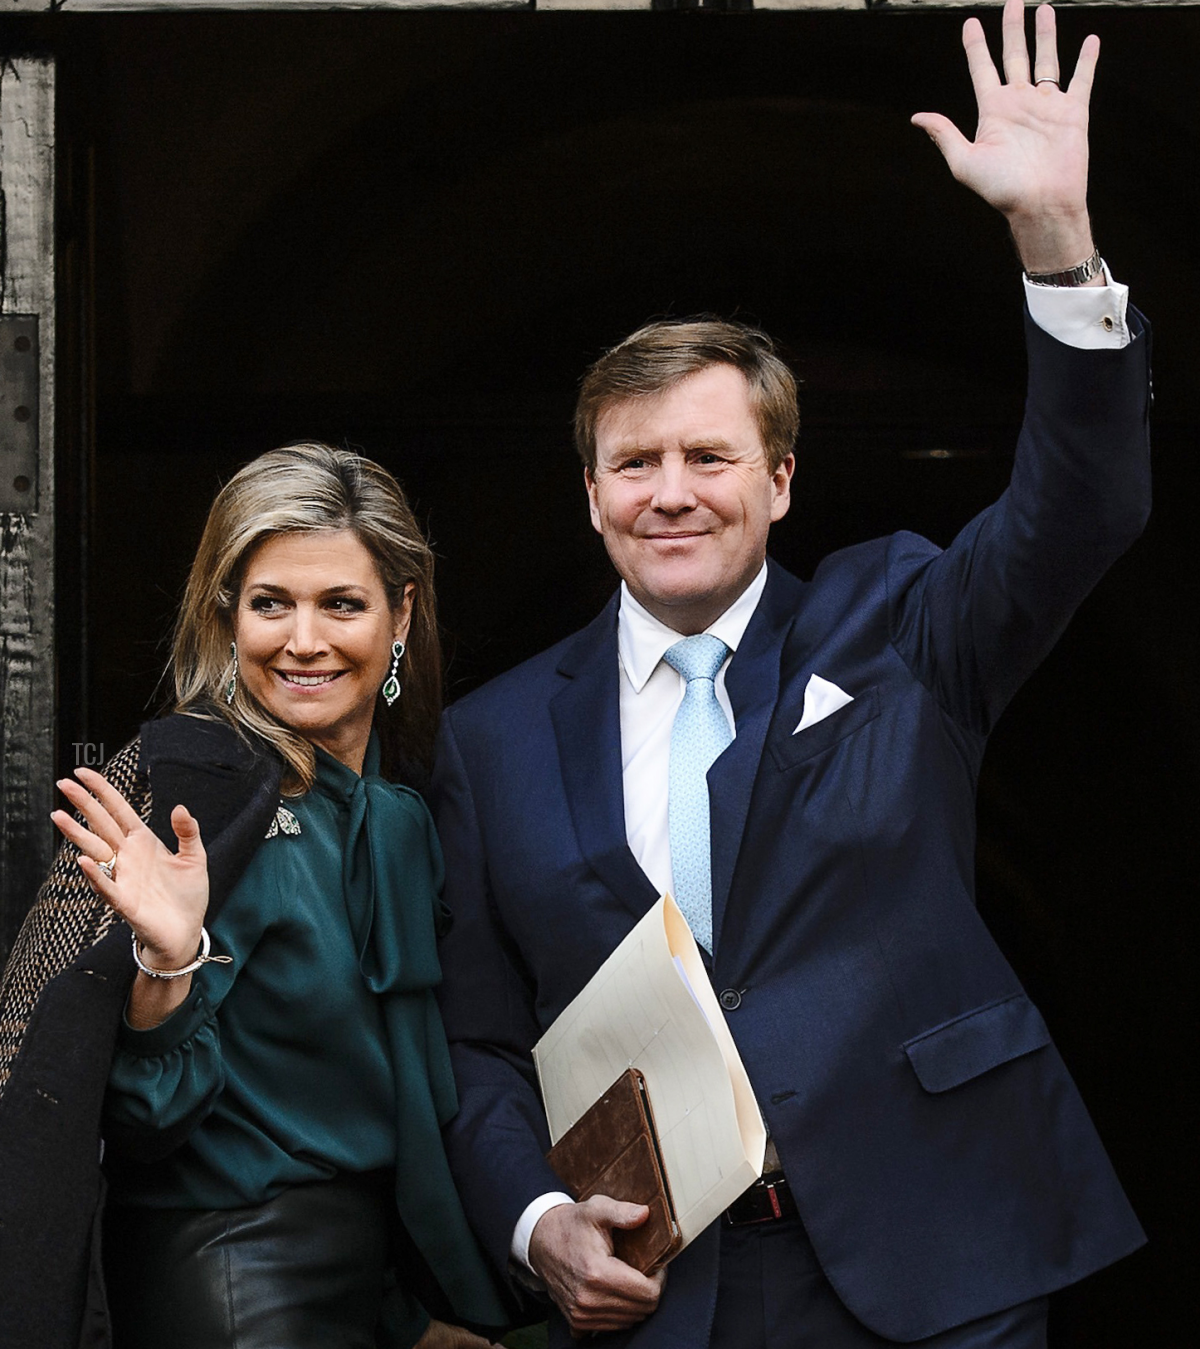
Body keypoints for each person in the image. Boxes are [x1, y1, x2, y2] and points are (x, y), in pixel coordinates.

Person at [430, 4, 1148, 1347]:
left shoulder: (906, 621)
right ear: (589, 498)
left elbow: (1081, 507)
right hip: (661, 1291)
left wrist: (1056, 240)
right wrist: (536, 1221)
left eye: (709, 458)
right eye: (634, 464)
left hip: (938, 1256)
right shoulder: (491, 737)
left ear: (781, 478)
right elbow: (475, 1041)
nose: (672, 492)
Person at [0, 444, 509, 1349]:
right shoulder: (199, 792)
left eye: (340, 604)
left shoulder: (406, 802)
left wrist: (405, 1317)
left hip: (363, 1275)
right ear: (227, 615)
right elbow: (141, 1123)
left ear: (402, 613)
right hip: (229, 1273)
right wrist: (165, 961)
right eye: (270, 603)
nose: (302, 640)